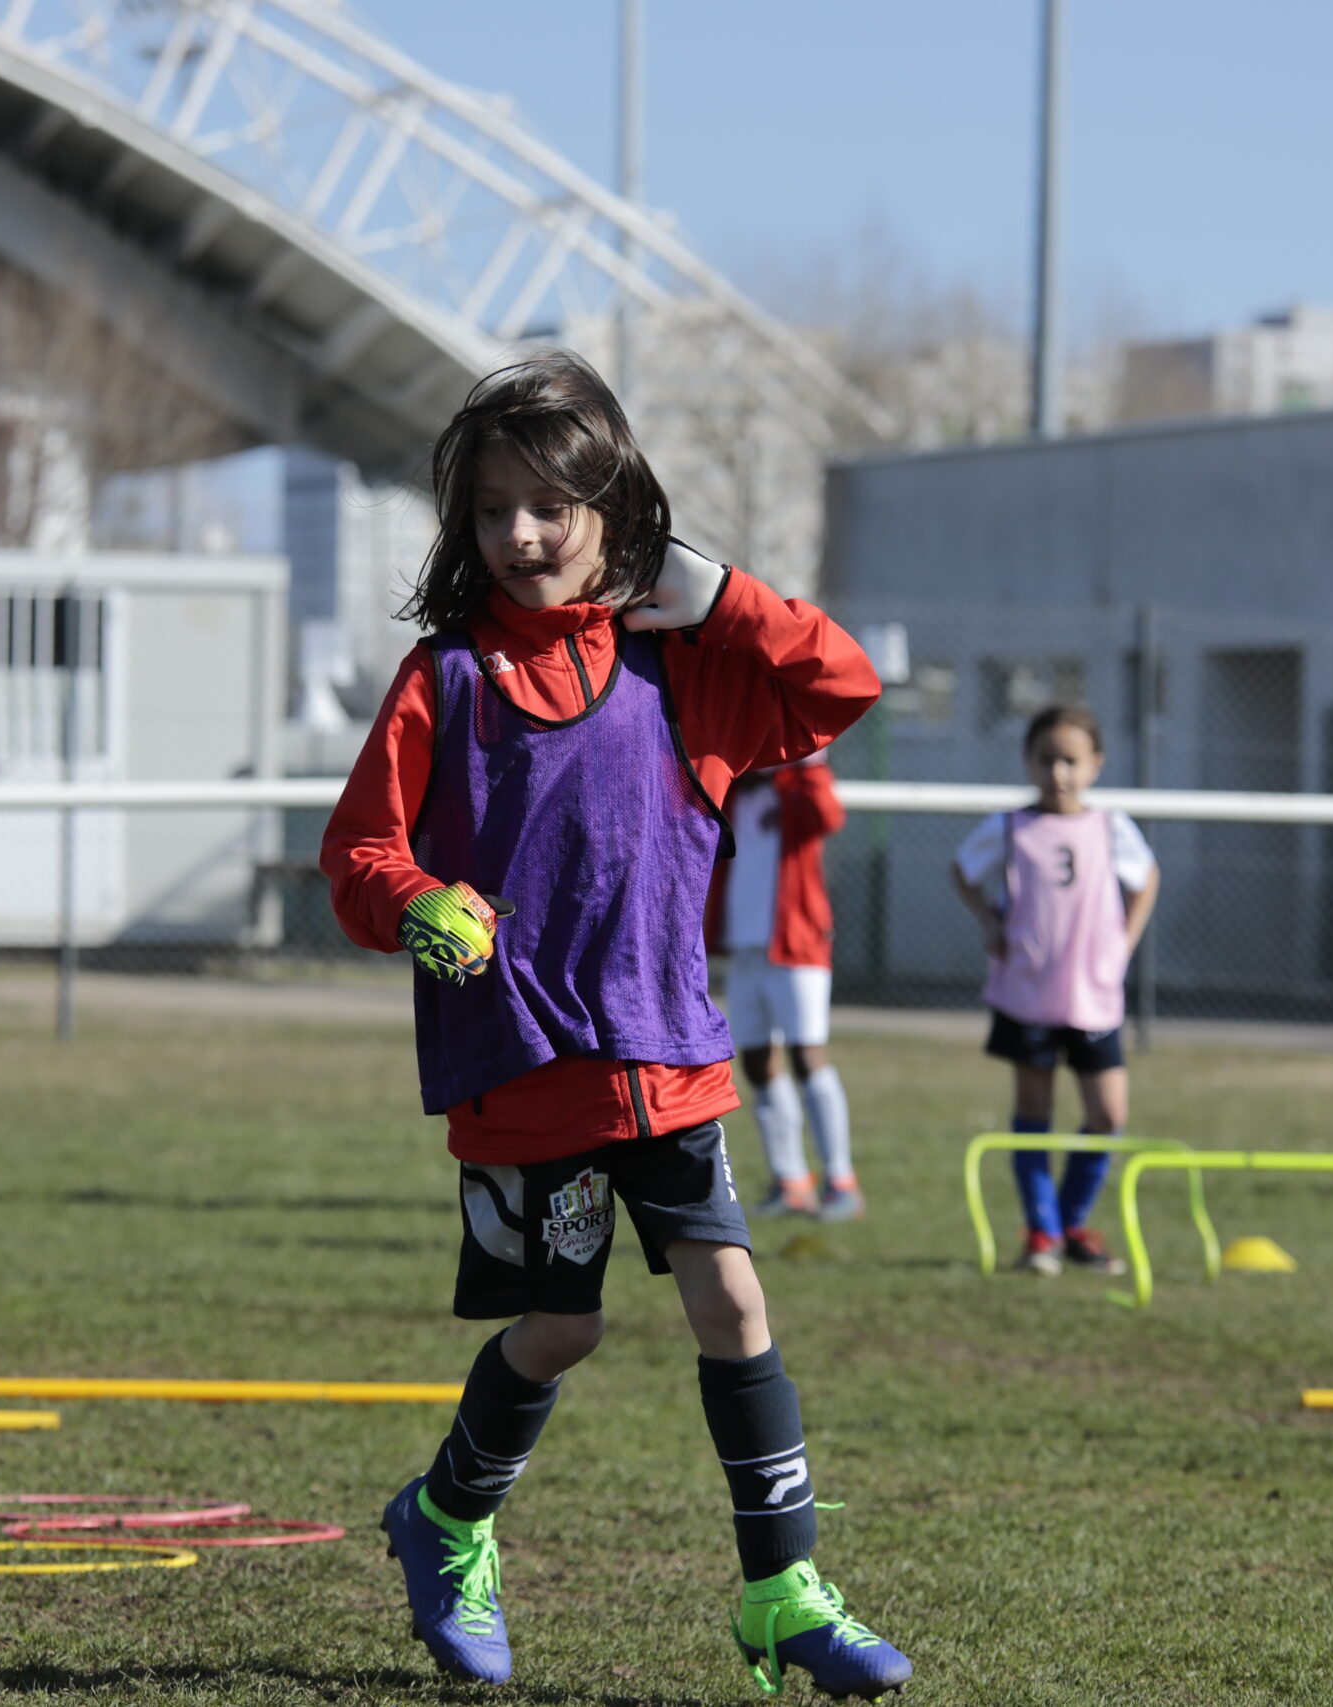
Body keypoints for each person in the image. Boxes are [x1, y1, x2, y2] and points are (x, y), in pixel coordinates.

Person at [320, 351, 912, 1698]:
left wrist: (712, 589)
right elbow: (356, 848)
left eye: (551, 505)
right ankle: (447, 1516)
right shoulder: (448, 680)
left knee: (735, 1296)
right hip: (527, 1078)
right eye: (490, 511)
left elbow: (842, 686)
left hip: (672, 1062)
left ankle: (782, 1592)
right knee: (561, 1326)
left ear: (614, 509)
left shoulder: (682, 670)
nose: (519, 534)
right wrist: (413, 896)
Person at [950, 704, 1161, 1278]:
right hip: (1029, 991)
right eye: (1046, 760)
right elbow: (962, 870)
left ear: (1095, 764)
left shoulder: (1111, 827)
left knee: (1108, 1114)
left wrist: (1124, 939)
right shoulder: (1010, 827)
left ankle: (1072, 1224)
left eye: (1071, 760)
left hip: (1093, 994)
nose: (1059, 772)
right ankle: (1040, 1232)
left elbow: (1146, 880)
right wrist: (989, 922)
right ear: (1029, 763)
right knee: (1033, 1111)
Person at [706, 755, 860, 1221]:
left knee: (807, 1057)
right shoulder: (736, 789)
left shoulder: (800, 785)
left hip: (798, 946)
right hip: (745, 947)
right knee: (756, 1061)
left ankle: (841, 1181)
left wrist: (811, 760)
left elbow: (828, 815)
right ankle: (791, 1181)